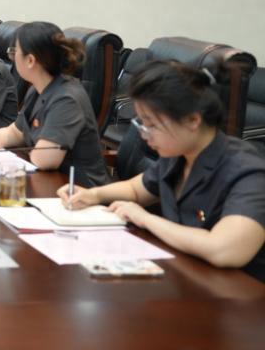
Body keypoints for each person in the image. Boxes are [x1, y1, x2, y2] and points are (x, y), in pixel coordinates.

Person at [59, 60, 265, 282]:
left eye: (152, 125)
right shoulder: (180, 154)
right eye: (142, 124)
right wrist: (93, 195)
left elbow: (225, 250)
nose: (144, 135)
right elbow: (136, 190)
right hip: (184, 275)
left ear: (192, 120)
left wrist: (146, 219)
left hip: (236, 292)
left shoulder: (248, 173)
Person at [0, 21, 108, 186]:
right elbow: (14, 133)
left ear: (30, 60)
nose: (12, 58)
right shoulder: (37, 90)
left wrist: (25, 149)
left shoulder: (67, 99)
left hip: (80, 190)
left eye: (14, 52)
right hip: (48, 182)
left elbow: (45, 159)